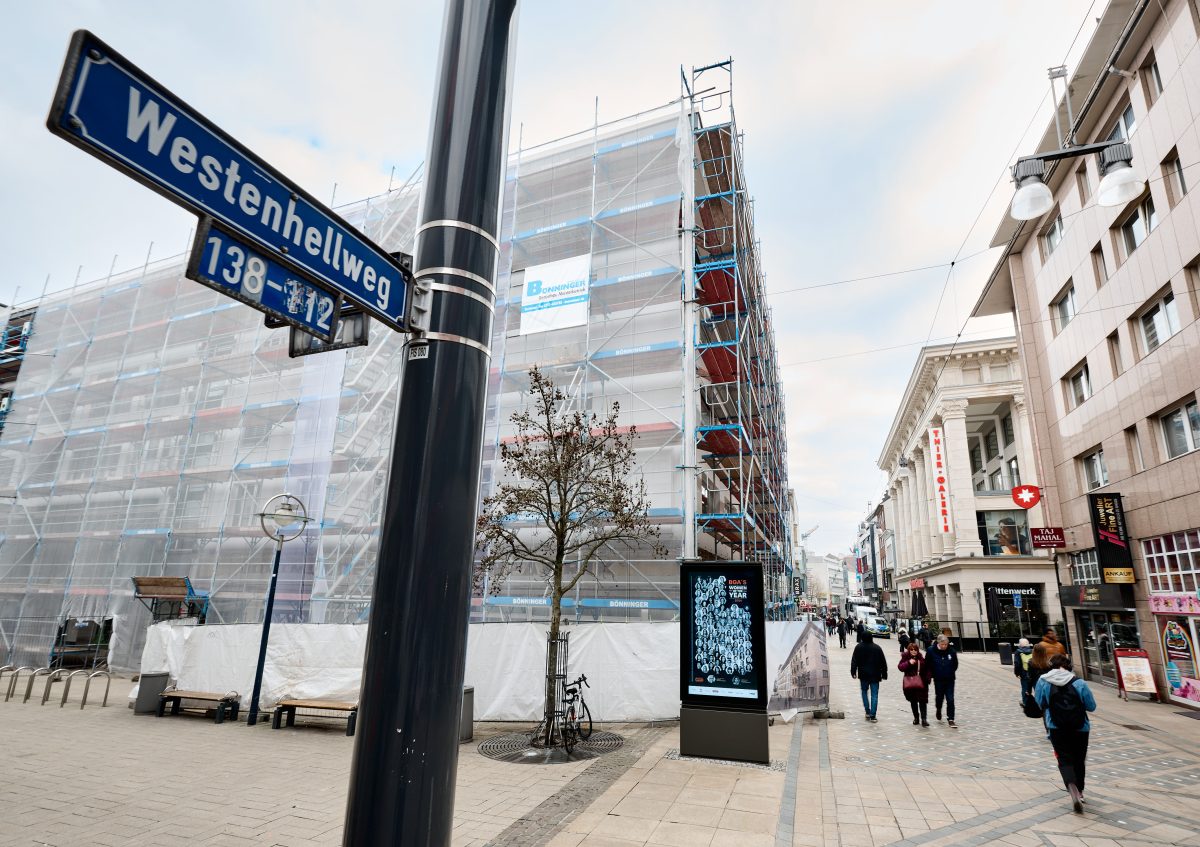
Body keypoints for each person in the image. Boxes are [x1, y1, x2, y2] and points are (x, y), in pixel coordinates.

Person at [1034, 654, 1097, 813]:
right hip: (1080, 727)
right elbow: (1091, 706)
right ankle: (1080, 791)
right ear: (1068, 667)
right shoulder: (1079, 682)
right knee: (1079, 758)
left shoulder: (1043, 681)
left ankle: (1071, 785)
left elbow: (1040, 702)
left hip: (1056, 726)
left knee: (1063, 758)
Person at [850, 631, 887, 722]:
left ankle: (867, 711)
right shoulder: (877, 648)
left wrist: (853, 671)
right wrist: (884, 674)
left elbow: (854, 660)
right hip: (875, 674)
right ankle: (873, 715)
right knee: (874, 695)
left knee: (864, 692)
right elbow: (883, 662)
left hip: (863, 674)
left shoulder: (858, 647)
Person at [926, 634, 959, 727]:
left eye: (946, 644)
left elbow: (955, 664)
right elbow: (927, 664)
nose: (944, 646)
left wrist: (950, 671)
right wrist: (932, 674)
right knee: (939, 697)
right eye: (942, 644)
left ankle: (951, 718)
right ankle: (939, 709)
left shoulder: (951, 651)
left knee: (950, 699)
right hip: (938, 679)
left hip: (950, 679)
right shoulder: (931, 650)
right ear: (938, 643)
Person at [898, 640, 932, 727]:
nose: (913, 651)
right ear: (909, 650)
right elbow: (900, 667)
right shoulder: (905, 657)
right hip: (910, 684)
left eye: (915, 650)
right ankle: (916, 718)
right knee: (913, 701)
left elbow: (927, 668)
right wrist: (909, 663)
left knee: (922, 701)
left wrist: (928, 679)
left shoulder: (921, 658)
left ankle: (924, 719)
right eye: (912, 650)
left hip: (922, 683)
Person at [1014, 637, 1035, 707]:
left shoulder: (1018, 652)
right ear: (1028, 644)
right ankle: (1039, 702)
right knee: (1036, 688)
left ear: (1020, 644)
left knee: (1025, 688)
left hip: (1024, 673)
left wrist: (1017, 673)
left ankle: (1025, 703)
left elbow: (1017, 664)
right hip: (1034, 673)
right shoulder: (1033, 651)